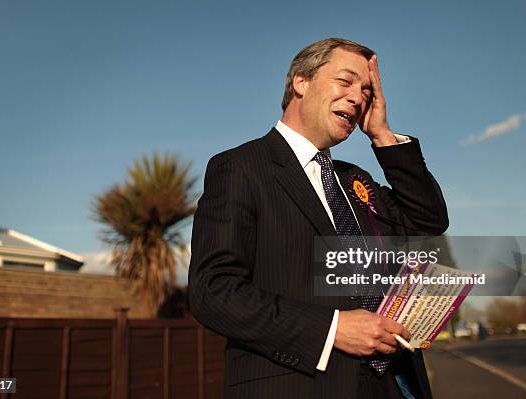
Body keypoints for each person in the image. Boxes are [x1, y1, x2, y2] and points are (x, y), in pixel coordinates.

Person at [188, 38, 448, 399]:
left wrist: (383, 136)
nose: (357, 98)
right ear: (301, 81)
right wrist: (334, 328)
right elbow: (213, 292)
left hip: (390, 386)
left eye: (366, 91)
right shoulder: (240, 168)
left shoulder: (355, 179)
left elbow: (427, 221)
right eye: (345, 81)